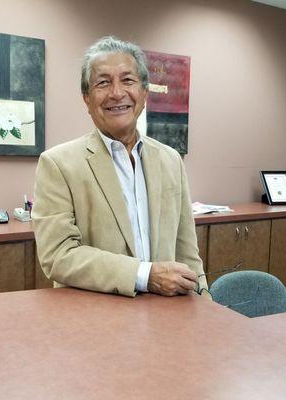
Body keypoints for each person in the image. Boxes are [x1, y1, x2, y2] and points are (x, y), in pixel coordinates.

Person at [32, 36, 208, 297]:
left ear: (144, 93)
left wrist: (204, 302)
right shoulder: (57, 164)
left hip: (168, 321)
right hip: (97, 322)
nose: (116, 93)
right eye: (103, 82)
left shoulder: (171, 160)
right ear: (86, 98)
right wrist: (146, 276)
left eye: (128, 80)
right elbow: (58, 255)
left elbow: (187, 254)